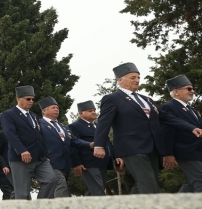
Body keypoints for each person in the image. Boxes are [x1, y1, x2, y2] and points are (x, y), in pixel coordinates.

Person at [94, 63, 202, 194]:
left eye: (138, 77)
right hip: (131, 147)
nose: (137, 80)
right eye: (133, 77)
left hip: (152, 147)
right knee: (148, 183)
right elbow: (104, 122)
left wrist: (191, 128)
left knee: (145, 183)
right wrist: (99, 145)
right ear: (120, 80)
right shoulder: (112, 99)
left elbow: (167, 118)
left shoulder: (147, 100)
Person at [0, 86, 58, 199]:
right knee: (22, 192)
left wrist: (45, 154)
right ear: (18, 99)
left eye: (32, 99)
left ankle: (39, 207)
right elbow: (11, 134)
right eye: (28, 99)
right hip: (21, 158)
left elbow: (40, 136)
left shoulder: (34, 115)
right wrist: (22, 150)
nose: (31, 101)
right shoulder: (8, 114)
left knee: (51, 180)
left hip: (39, 158)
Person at [160, 75, 202, 192]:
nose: (192, 91)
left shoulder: (192, 110)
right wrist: (168, 154)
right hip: (186, 151)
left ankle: (173, 208)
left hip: (197, 151)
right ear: (176, 92)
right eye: (189, 89)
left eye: (193, 89)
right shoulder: (169, 107)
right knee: (200, 182)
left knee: (191, 184)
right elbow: (166, 132)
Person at [37, 96, 83, 198]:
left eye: (57, 108)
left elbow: (74, 141)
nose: (56, 110)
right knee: (61, 185)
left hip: (64, 163)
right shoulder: (39, 125)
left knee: (54, 189)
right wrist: (43, 156)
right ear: (44, 111)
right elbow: (37, 142)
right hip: (49, 163)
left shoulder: (63, 127)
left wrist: (90, 144)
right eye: (53, 108)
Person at [69, 100, 114, 196]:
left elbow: (107, 142)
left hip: (103, 162)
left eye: (94, 110)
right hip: (88, 163)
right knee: (98, 190)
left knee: (97, 188)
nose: (93, 112)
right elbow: (73, 145)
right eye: (90, 111)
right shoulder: (75, 126)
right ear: (81, 113)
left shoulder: (98, 126)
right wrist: (77, 163)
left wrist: (114, 156)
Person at [0, 130, 15, 200]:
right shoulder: (1, 134)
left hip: (18, 171)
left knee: (9, 197)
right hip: (5, 171)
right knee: (11, 195)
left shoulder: (21, 133)